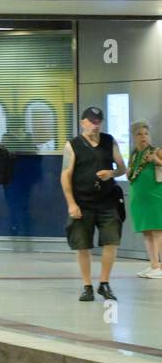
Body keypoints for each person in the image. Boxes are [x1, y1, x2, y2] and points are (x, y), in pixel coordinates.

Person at [61, 107, 127, 301]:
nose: (94, 125)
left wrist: (111, 173)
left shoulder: (109, 141)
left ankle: (104, 283)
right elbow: (65, 175)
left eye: (98, 121)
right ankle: (87, 285)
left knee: (111, 242)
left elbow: (122, 167)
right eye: (90, 121)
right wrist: (71, 203)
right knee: (83, 245)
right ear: (82, 122)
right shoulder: (73, 145)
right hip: (82, 202)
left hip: (107, 201)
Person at [126, 121, 162, 278]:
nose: (143, 137)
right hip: (139, 198)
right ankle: (153, 265)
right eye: (139, 134)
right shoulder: (134, 155)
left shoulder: (156, 151)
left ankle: (160, 266)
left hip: (155, 197)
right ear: (134, 136)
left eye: (146, 134)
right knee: (146, 232)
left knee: (158, 231)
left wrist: (157, 161)